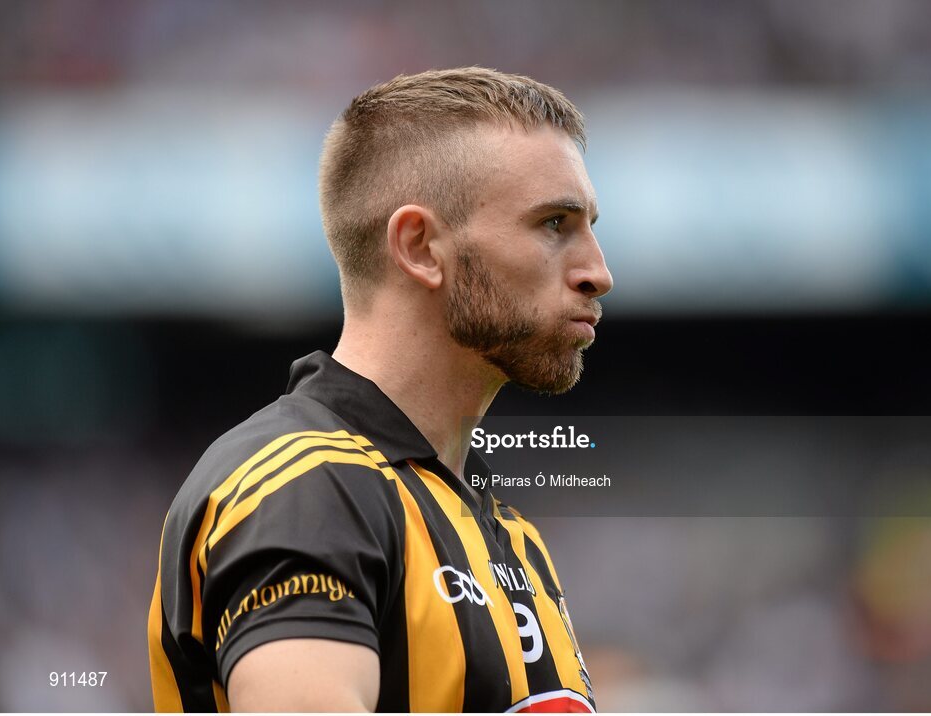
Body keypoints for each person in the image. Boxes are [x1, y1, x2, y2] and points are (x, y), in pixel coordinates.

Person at [148, 67, 612, 713]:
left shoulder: (506, 532)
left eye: (588, 225)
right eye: (553, 224)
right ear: (420, 246)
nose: (598, 272)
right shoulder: (306, 488)